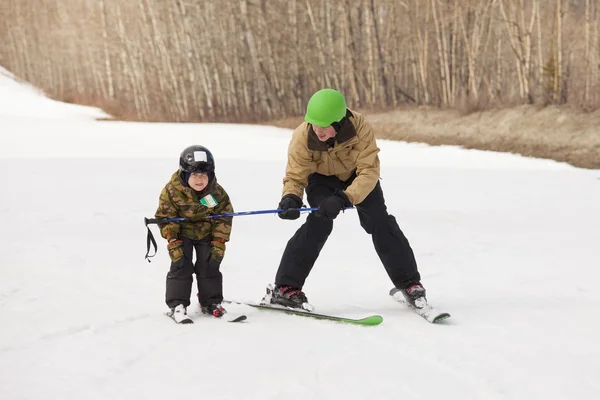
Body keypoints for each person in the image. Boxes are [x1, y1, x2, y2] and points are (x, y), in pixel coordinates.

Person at [269, 88, 426, 310]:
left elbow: (369, 171)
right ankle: (285, 288)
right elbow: (296, 174)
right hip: (321, 179)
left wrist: (345, 197)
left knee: (379, 221)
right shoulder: (302, 136)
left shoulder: (360, 128)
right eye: (314, 124)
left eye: (323, 127)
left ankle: (410, 284)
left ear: (339, 122)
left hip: (358, 177)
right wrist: (291, 197)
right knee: (319, 223)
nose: (318, 131)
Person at [155, 145, 234, 323]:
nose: (200, 180)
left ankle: (211, 302)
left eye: (204, 175)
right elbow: (165, 217)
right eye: (195, 175)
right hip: (181, 234)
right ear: (184, 174)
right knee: (181, 265)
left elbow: (224, 217)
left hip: (206, 233)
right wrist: (173, 240)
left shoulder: (217, 192)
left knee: (210, 264)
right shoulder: (172, 191)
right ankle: (177, 305)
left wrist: (219, 242)